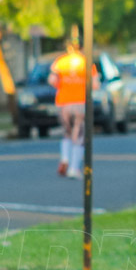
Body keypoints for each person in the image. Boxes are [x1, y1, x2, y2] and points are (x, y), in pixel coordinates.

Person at [48, 39, 99, 179]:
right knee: (80, 135)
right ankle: (74, 168)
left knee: (67, 132)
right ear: (81, 48)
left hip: (63, 101)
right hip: (80, 102)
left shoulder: (60, 61)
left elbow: (52, 80)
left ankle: (65, 158)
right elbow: (95, 85)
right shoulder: (86, 62)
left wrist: (63, 87)